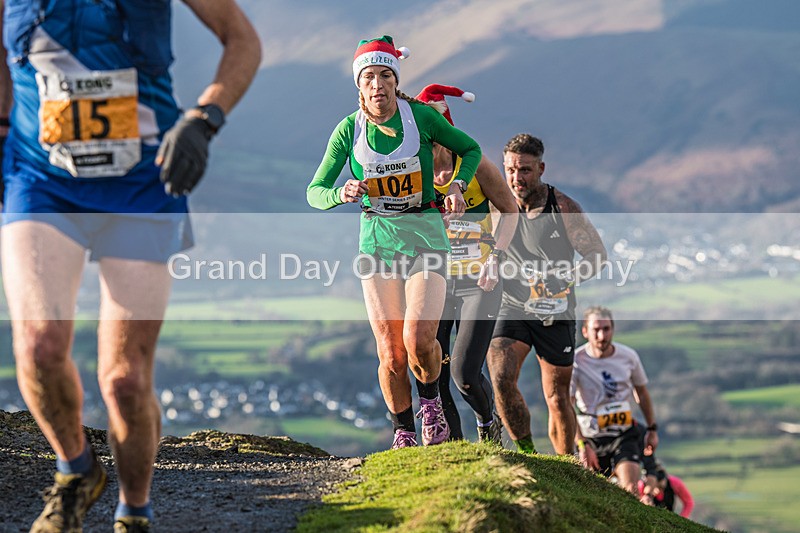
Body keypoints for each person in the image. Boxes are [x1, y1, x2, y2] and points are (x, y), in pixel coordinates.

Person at [0, 2, 261, 531]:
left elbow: (242, 40)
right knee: (38, 346)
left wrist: (204, 119)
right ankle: (76, 471)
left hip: (145, 180)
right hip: (39, 176)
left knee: (124, 379)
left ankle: (133, 512)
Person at [307, 36, 482, 450]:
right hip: (378, 243)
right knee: (390, 352)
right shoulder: (348, 130)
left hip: (425, 237)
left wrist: (458, 185)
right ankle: (403, 432)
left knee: (419, 340)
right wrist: (340, 193)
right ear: (359, 85)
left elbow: (470, 148)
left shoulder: (421, 117)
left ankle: (431, 406)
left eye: (385, 75)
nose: (378, 84)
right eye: (369, 77)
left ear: (395, 80)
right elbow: (315, 191)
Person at [486, 133, 606, 455]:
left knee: (556, 396)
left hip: (556, 311)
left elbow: (597, 255)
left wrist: (566, 278)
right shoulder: (496, 204)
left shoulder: (562, 207)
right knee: (501, 377)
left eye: (525, 170)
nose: (516, 178)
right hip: (512, 306)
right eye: (510, 170)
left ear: (541, 168)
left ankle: (565, 463)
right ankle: (528, 454)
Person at [411, 84, 518, 443]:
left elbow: (510, 210)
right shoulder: (416, 172)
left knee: (464, 375)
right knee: (434, 372)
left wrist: (496, 258)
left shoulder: (473, 165)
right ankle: (454, 449)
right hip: (436, 281)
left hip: (480, 279)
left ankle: (487, 423)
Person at [571, 306, 659, 495]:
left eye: (606, 329)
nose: (602, 336)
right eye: (596, 330)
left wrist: (652, 429)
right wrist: (581, 443)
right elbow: (567, 404)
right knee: (594, 494)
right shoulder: (576, 361)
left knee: (630, 489)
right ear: (585, 331)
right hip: (591, 435)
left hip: (623, 433)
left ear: (613, 329)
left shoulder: (628, 356)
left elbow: (642, 393)